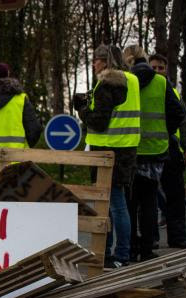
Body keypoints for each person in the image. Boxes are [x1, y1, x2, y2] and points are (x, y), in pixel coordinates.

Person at [74, 44, 140, 269]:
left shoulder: (107, 83)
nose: (93, 64)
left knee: (114, 204)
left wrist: (82, 109)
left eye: (96, 60)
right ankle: (115, 252)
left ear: (105, 61)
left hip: (106, 152)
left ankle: (117, 254)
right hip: (127, 149)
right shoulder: (131, 80)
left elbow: (99, 122)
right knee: (116, 202)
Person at [124, 46, 186, 261]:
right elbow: (179, 113)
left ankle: (131, 248)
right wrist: (164, 132)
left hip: (132, 149)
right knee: (150, 200)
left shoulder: (127, 81)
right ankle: (147, 248)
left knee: (130, 203)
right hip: (157, 150)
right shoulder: (162, 83)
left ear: (129, 61)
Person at [149, 53, 186, 249]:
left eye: (161, 67)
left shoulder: (173, 92)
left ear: (166, 70)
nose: (158, 71)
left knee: (176, 195)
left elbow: (184, 122)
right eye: (154, 68)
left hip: (171, 147)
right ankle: (150, 239)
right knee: (148, 197)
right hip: (149, 149)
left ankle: (178, 237)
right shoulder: (143, 89)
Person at [0, 62, 42, 180]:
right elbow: (34, 130)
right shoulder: (20, 99)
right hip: (17, 161)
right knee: (15, 198)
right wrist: (24, 147)